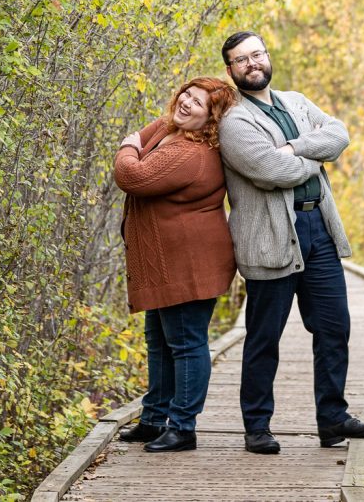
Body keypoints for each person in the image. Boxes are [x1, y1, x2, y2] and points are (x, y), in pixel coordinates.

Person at [216, 31, 364, 455]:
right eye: (241, 60)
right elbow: (273, 171)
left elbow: (339, 134)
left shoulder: (296, 101)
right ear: (231, 71)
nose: (251, 63)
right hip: (271, 238)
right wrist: (312, 157)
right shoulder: (235, 121)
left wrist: (293, 147)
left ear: (268, 56)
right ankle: (257, 427)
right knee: (264, 336)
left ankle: (333, 420)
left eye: (257, 54)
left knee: (334, 327)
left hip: (318, 232)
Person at [112, 77, 239, 453]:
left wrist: (126, 145)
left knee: (185, 343)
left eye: (198, 103)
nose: (185, 103)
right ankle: (153, 419)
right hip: (168, 265)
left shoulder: (191, 153)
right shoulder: (173, 130)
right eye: (187, 93)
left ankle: (183, 426)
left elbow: (130, 175)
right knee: (160, 342)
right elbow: (152, 128)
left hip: (190, 265)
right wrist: (138, 140)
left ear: (211, 120)